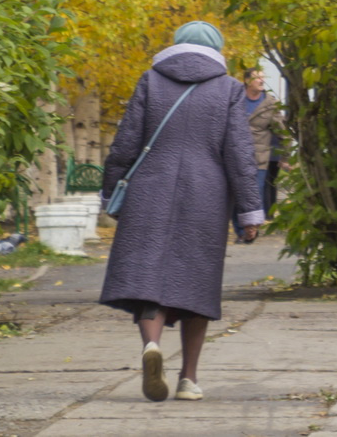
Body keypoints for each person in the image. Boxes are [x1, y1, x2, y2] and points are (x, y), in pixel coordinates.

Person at [99, 21, 263, 403]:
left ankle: (151, 347)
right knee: (196, 283)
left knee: (148, 275)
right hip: (205, 194)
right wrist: (249, 211)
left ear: (176, 45)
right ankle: (189, 378)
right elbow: (239, 153)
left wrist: (110, 192)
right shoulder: (228, 89)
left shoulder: (151, 81)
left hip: (148, 190)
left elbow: (126, 141)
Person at [239, 68, 287, 221]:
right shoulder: (234, 99)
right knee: (237, 193)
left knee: (256, 192)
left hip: (259, 157)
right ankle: (241, 228)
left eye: (262, 77)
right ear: (247, 81)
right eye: (257, 78)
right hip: (236, 155)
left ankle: (251, 227)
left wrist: (285, 157)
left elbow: (283, 133)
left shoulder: (271, 104)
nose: (261, 81)